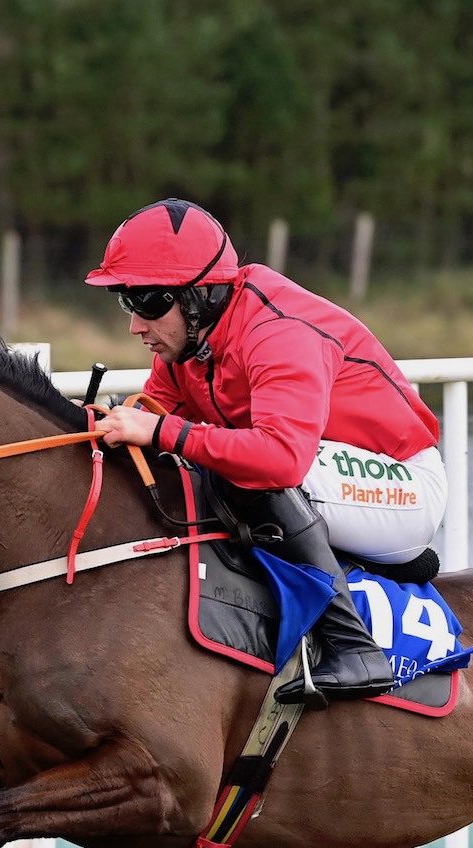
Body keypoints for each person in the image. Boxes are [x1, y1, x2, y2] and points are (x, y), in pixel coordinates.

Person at [89, 198, 447, 707]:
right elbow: (150, 419)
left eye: (148, 301)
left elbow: (279, 459)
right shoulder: (187, 346)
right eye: (127, 301)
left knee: (246, 472)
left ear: (199, 297)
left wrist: (162, 431)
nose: (135, 325)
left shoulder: (277, 330)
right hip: (324, 471)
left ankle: (355, 650)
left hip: (403, 484)